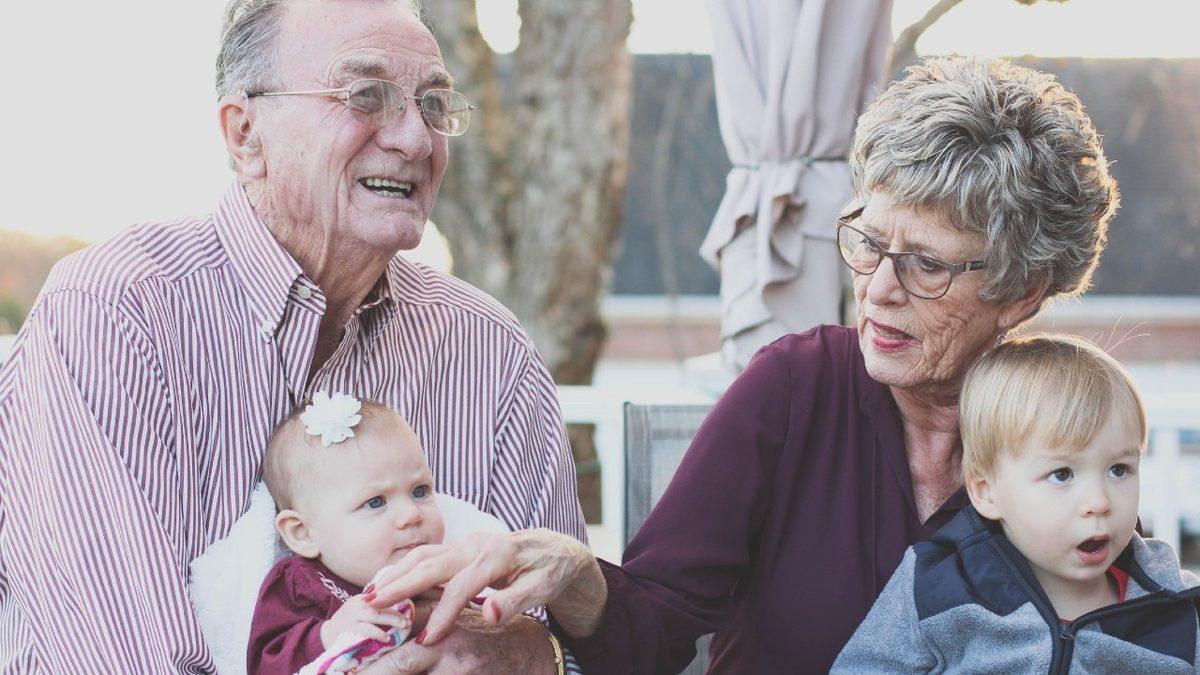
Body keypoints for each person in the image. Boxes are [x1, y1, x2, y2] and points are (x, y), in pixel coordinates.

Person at [366, 56, 1124, 673]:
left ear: (1021, 291)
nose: (878, 289)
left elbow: (1119, 632)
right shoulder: (796, 388)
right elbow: (650, 632)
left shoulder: (1071, 428)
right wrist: (578, 574)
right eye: (867, 242)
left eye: (926, 264)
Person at [0, 0, 584, 671]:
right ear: (245, 133)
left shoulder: (489, 349)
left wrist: (520, 649)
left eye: (432, 104)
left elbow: (562, 636)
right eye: (366, 95)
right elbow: (118, 659)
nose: (416, 140)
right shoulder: (116, 314)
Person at [833, 335, 1200, 672]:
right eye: (1062, 474)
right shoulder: (939, 587)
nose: (1098, 502)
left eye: (1119, 470)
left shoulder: (1175, 606)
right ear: (986, 492)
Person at [248, 393, 445, 674]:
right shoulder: (301, 583)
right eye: (375, 502)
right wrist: (328, 634)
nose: (412, 514)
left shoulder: (444, 573)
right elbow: (264, 663)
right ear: (304, 533)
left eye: (420, 491)